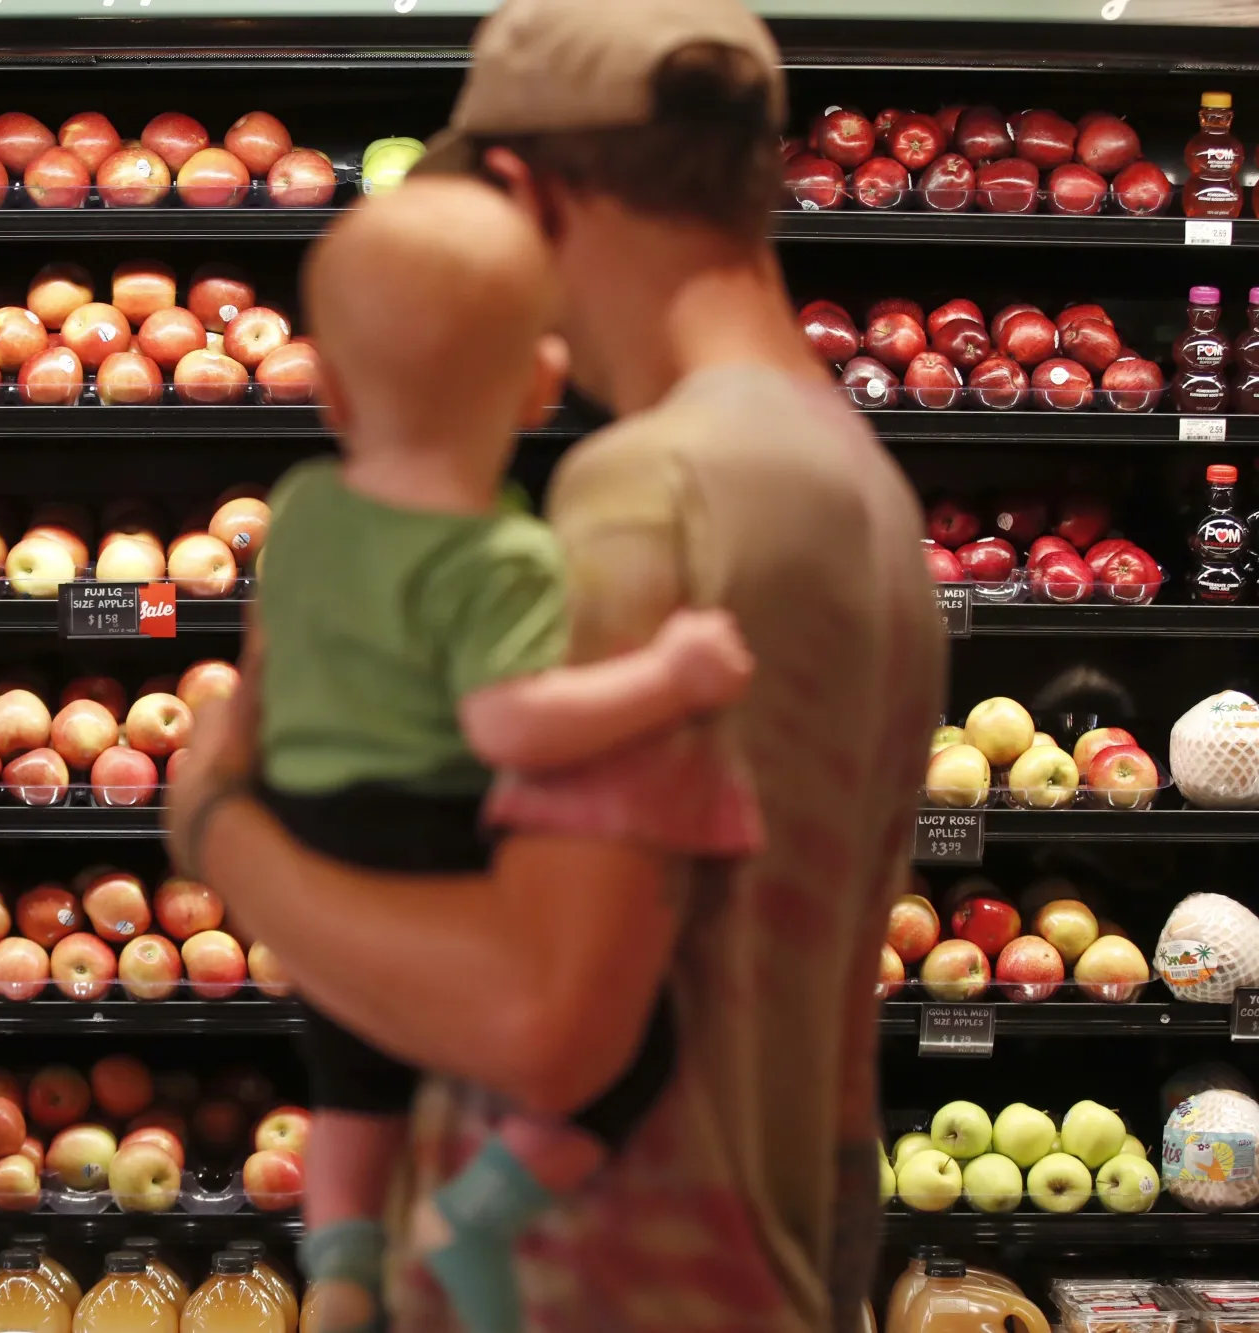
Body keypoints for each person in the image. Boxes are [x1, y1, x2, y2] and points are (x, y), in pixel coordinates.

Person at [162, 0, 948, 1328]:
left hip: (598, 1276)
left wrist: (220, 826)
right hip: (764, 1259)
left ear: (523, 192)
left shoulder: (651, 489)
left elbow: (547, 1019)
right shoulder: (856, 482)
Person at [255, 177, 760, 1333]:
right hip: (427, 829)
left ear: (325, 385)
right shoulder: (503, 555)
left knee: (352, 1073)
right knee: (629, 1048)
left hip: (308, 826)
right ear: (541, 381)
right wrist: (667, 677)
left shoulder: (297, 505)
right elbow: (509, 725)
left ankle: (338, 1270)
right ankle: (482, 1208)